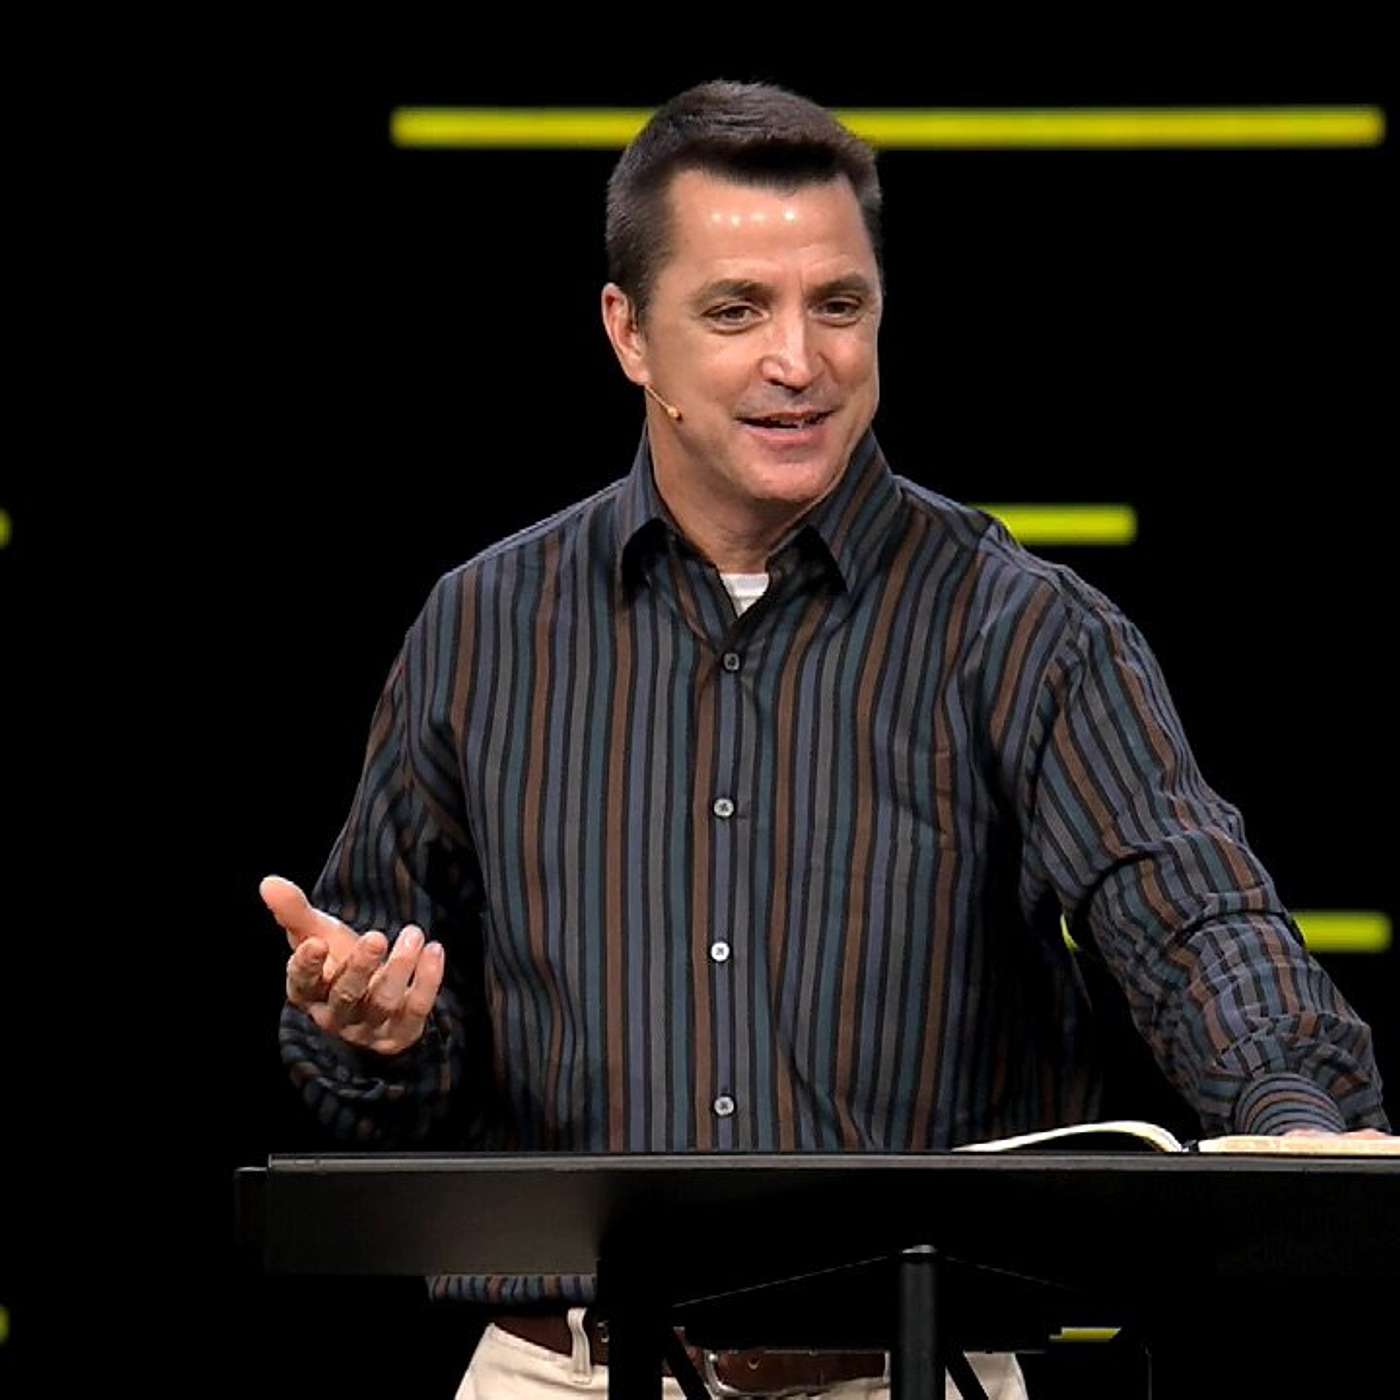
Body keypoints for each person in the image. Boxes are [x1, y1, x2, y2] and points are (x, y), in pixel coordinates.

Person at [260, 80, 1390, 1399]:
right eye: (737, 310)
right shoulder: (483, 628)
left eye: (837, 305)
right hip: (565, 1371)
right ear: (629, 333)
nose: (798, 361)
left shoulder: (1021, 627)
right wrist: (374, 1032)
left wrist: (1292, 1120)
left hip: (912, 1367)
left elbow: (1193, 919)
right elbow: (386, 1053)